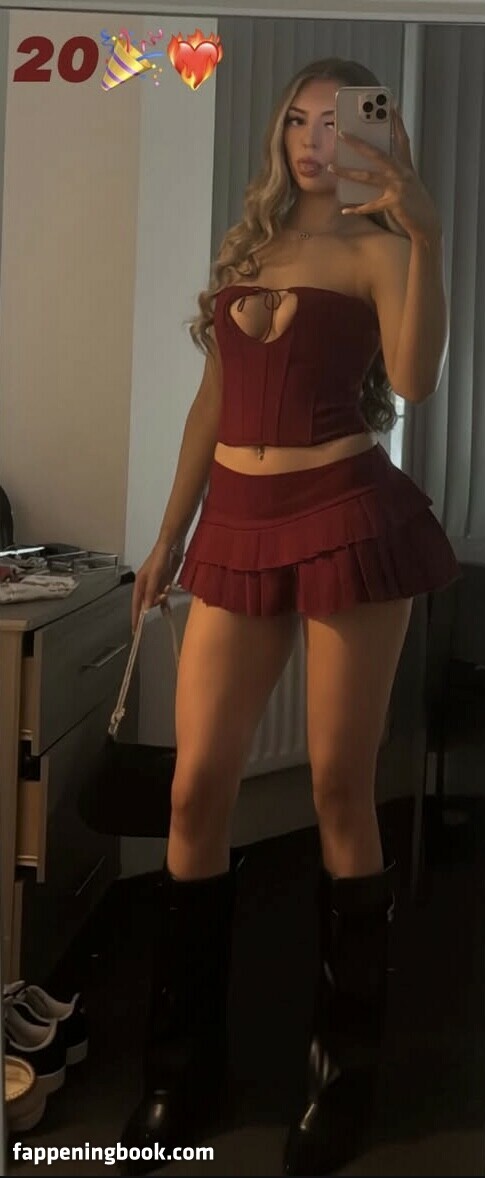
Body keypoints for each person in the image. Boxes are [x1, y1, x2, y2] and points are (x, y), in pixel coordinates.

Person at [122, 57, 461, 1176]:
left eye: (342, 120)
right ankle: (179, 1070)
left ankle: (340, 1077)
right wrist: (166, 536)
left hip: (347, 516)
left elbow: (412, 381)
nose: (316, 139)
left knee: (336, 789)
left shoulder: (380, 247)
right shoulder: (251, 250)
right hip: (235, 522)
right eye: (299, 119)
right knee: (193, 790)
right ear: (279, 135)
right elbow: (212, 402)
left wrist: (425, 233)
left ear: (380, 134)